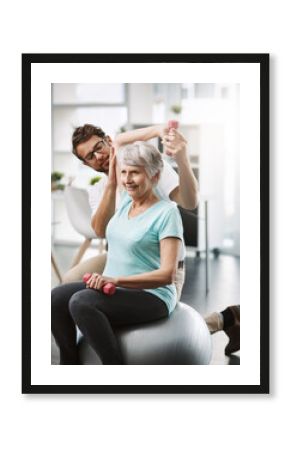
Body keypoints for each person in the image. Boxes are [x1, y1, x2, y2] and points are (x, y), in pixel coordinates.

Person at [51, 142, 184, 364]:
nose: (128, 179)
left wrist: (115, 279)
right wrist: (113, 178)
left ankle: (115, 373)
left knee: (81, 302)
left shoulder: (167, 212)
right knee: (56, 298)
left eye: (135, 173)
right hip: (113, 288)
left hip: (151, 296)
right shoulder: (125, 202)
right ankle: (69, 364)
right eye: (124, 172)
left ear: (155, 175)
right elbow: (119, 146)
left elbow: (167, 275)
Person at [62, 123, 199, 301]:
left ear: (108, 141)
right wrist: (111, 184)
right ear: (86, 164)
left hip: (157, 264)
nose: (99, 156)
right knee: (69, 281)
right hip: (122, 259)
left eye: (99, 147)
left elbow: (189, 202)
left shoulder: (149, 169)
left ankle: (218, 320)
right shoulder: (98, 190)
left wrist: (182, 159)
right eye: (90, 156)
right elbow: (100, 230)